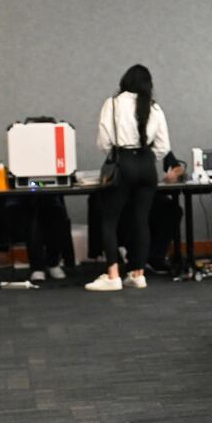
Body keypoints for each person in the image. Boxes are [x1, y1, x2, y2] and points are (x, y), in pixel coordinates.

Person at [87, 64, 170, 292]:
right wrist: (145, 157)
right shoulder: (154, 107)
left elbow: (104, 140)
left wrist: (117, 156)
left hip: (122, 162)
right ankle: (138, 274)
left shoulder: (112, 104)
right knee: (141, 220)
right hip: (146, 164)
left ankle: (113, 275)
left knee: (109, 220)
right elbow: (163, 146)